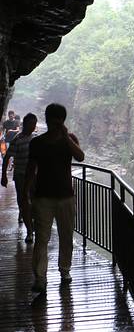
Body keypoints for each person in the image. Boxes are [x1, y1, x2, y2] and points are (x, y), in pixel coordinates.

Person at [24, 103, 84, 293]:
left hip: (66, 196)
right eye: (54, 119)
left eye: (59, 120)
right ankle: (40, 278)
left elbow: (80, 157)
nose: (56, 123)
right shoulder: (37, 142)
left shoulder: (70, 139)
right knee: (42, 238)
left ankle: (64, 270)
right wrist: (26, 192)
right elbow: (31, 169)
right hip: (43, 197)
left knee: (66, 236)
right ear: (48, 120)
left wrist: (66, 136)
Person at [1, 113, 37, 241]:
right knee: (23, 202)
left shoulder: (36, 139)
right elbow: (7, 158)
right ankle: (29, 231)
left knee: (34, 201)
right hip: (21, 175)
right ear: (25, 124)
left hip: (34, 176)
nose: (33, 126)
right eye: (31, 124)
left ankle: (32, 225)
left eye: (34, 124)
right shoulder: (18, 139)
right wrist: (3, 175)